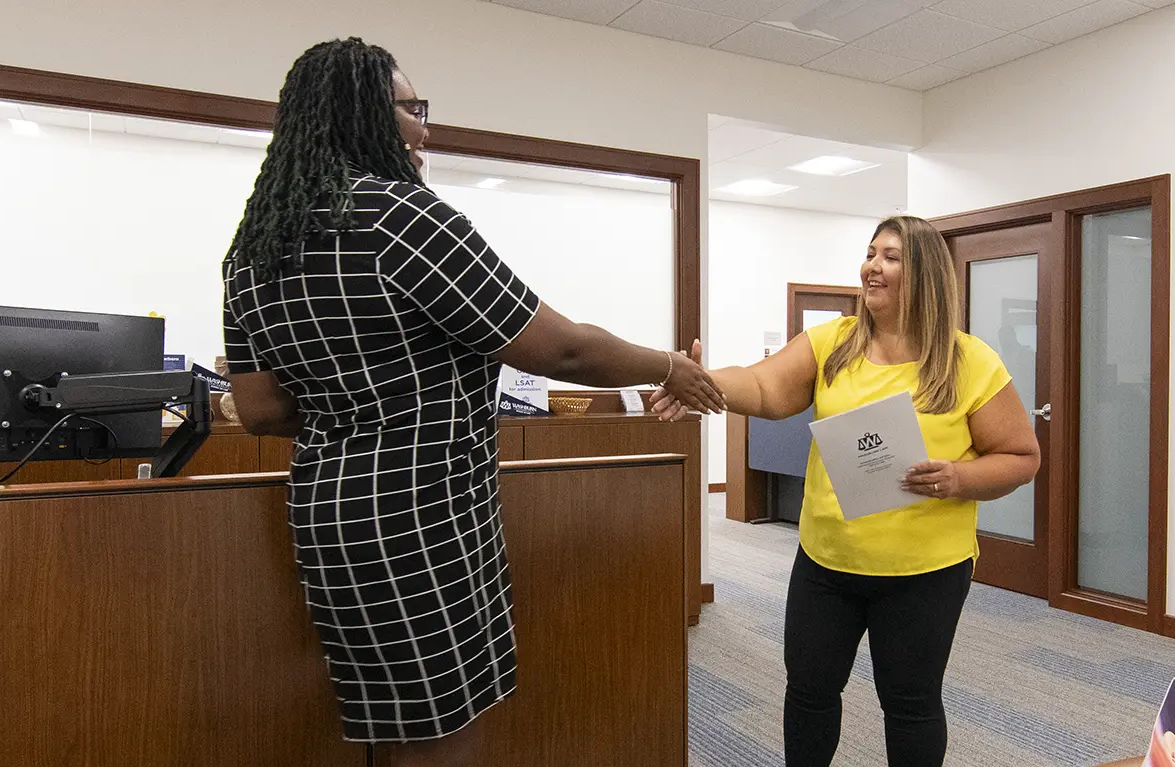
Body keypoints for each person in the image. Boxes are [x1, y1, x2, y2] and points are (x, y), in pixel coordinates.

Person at [218, 39, 724, 767]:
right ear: (365, 113)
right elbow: (561, 348)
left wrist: (359, 406)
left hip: (328, 514)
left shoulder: (253, 247)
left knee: (389, 720)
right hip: (423, 510)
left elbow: (262, 410)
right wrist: (669, 365)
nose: (424, 128)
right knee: (444, 729)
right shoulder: (404, 220)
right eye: (410, 108)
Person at [651, 215, 1041, 766]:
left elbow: (1022, 457)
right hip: (828, 563)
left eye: (890, 256)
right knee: (809, 693)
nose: (871, 266)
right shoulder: (833, 344)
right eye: (869, 253)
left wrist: (959, 478)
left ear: (924, 273)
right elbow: (763, 384)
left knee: (910, 703)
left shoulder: (969, 361)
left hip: (923, 574)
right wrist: (697, 381)